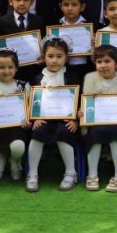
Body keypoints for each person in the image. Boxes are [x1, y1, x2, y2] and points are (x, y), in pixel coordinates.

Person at [26, 38, 81, 192]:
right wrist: (36, 118)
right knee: (38, 132)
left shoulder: (72, 76)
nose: (54, 60)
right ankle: (32, 174)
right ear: (44, 57)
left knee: (65, 131)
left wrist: (75, 119)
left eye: (59, 56)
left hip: (65, 119)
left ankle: (70, 173)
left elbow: (78, 100)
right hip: (45, 119)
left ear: (66, 58)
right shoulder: (38, 77)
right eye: (50, 56)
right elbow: (34, 100)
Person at [80, 44, 117, 192]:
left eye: (107, 61)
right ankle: (92, 176)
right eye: (99, 62)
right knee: (96, 133)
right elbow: (88, 104)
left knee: (114, 134)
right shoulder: (90, 78)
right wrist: (83, 113)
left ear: (116, 64)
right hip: (96, 124)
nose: (103, 65)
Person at [0, 50, 30, 181]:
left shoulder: (24, 86)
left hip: (17, 127)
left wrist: (28, 121)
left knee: (18, 147)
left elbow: (29, 109)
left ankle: (14, 160)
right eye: (1, 67)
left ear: (16, 68)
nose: (6, 71)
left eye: (10, 67)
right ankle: (0, 159)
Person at [0, 0, 46, 81]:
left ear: (32, 2)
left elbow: (43, 45)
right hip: (10, 75)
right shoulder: (0, 23)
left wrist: (43, 56)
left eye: (26, 0)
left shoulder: (39, 21)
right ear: (10, 1)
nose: (22, 3)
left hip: (34, 72)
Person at [57, 0, 91, 82]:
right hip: (63, 71)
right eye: (66, 5)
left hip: (86, 70)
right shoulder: (55, 27)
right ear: (61, 6)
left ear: (82, 7)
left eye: (74, 4)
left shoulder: (91, 26)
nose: (70, 8)